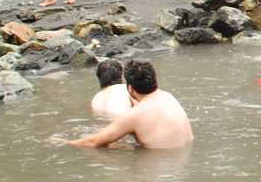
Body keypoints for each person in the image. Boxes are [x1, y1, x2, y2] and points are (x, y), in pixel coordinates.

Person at [60, 60, 192, 149]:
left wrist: (64, 142)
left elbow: (93, 142)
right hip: (182, 155)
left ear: (130, 88)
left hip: (154, 164)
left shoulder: (133, 116)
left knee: (107, 148)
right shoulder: (168, 96)